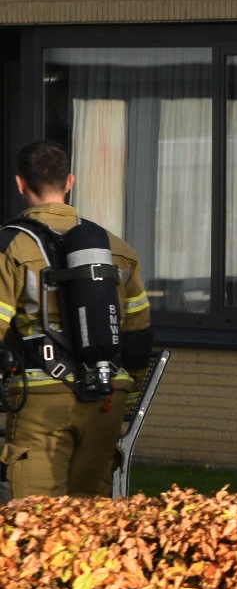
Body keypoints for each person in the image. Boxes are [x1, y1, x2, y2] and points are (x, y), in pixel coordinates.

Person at [0, 141, 151, 498]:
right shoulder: (119, 250)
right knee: (90, 524)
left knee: (38, 523)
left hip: (42, 401)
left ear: (20, 184)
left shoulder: (10, 247)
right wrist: (126, 399)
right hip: (107, 399)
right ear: (69, 182)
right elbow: (138, 333)